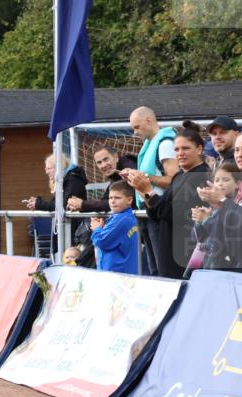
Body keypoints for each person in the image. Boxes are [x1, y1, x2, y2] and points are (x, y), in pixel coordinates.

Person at [124, 121, 210, 279]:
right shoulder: (179, 176)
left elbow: (173, 214)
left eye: (185, 148)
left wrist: (147, 190)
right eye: (176, 149)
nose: (180, 153)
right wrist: (141, 188)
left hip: (185, 255)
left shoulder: (201, 176)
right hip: (168, 251)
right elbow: (157, 211)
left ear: (199, 149)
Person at [129, 106, 179, 275]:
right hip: (149, 211)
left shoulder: (165, 144)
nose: (135, 132)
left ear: (148, 121)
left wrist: (144, 178)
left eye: (137, 127)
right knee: (154, 268)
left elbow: (174, 179)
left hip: (159, 211)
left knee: (161, 268)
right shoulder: (150, 144)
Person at [189, 163, 242, 273]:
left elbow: (228, 236)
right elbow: (197, 240)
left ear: (238, 183)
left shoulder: (237, 206)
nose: (220, 184)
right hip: (210, 267)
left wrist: (207, 220)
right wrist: (199, 221)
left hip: (230, 270)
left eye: (226, 179)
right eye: (217, 180)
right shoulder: (214, 207)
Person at [89, 181, 139, 275]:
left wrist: (97, 229)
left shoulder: (121, 219)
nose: (112, 201)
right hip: (120, 274)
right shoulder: (122, 217)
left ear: (129, 200)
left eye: (117, 198)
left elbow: (102, 241)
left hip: (116, 275)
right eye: (110, 198)